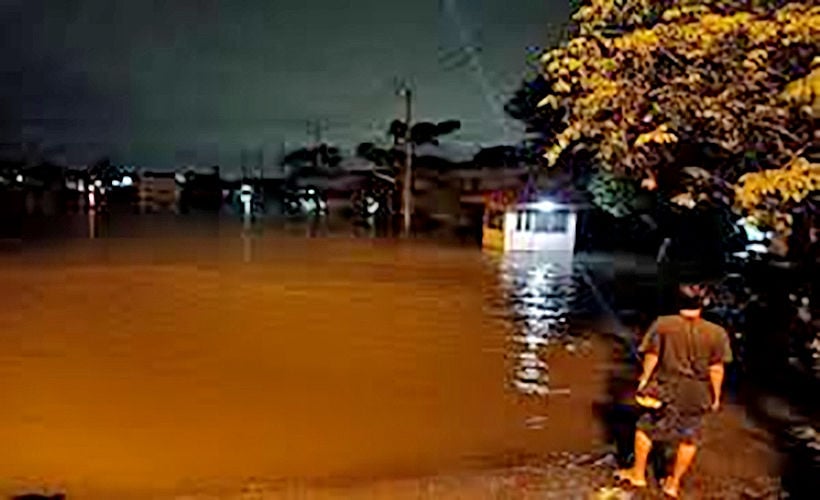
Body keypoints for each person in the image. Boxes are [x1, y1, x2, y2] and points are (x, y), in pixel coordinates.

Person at [616, 284, 733, 498]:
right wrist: (716, 396)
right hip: (698, 392)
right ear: (704, 303)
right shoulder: (717, 333)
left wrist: (643, 380)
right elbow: (716, 368)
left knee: (645, 428)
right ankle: (673, 484)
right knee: (690, 437)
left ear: (676, 301)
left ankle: (638, 474)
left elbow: (652, 355)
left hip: (666, 386)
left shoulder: (663, 324)